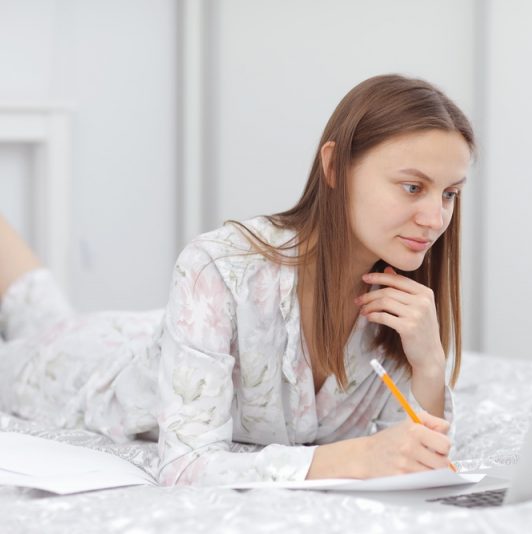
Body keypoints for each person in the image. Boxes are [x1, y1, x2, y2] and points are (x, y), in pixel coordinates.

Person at [0, 74, 474, 485]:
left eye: (450, 193)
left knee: (36, 305)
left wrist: (430, 363)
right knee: (34, 324)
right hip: (85, 368)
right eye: (412, 187)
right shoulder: (219, 266)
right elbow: (185, 467)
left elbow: (411, 450)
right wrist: (350, 459)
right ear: (334, 167)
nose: (435, 218)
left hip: (163, 338)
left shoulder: (399, 303)